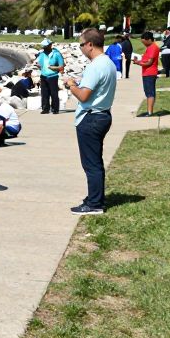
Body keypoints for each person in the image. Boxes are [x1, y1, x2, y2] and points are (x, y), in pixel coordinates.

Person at [64, 28, 117, 214]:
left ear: (90, 45)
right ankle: (95, 198)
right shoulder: (108, 63)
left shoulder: (96, 65)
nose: (80, 49)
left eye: (81, 45)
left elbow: (84, 96)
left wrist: (71, 85)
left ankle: (94, 204)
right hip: (103, 114)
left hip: (91, 117)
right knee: (95, 161)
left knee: (91, 164)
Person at [133, 31, 161, 117]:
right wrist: (138, 61)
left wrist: (138, 63)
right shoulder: (149, 47)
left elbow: (149, 63)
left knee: (150, 93)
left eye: (144, 42)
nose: (144, 44)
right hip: (146, 73)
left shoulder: (153, 47)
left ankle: (149, 112)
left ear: (149, 40)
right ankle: (149, 111)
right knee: (148, 92)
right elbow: (146, 60)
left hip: (150, 73)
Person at [36, 38, 65, 114]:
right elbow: (40, 64)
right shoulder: (42, 54)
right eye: (43, 47)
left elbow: (62, 66)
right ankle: (45, 109)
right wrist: (38, 65)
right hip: (43, 76)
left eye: (46, 46)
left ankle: (55, 109)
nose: (44, 48)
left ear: (50, 45)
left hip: (53, 76)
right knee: (44, 93)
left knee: (54, 93)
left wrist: (53, 67)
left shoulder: (56, 54)